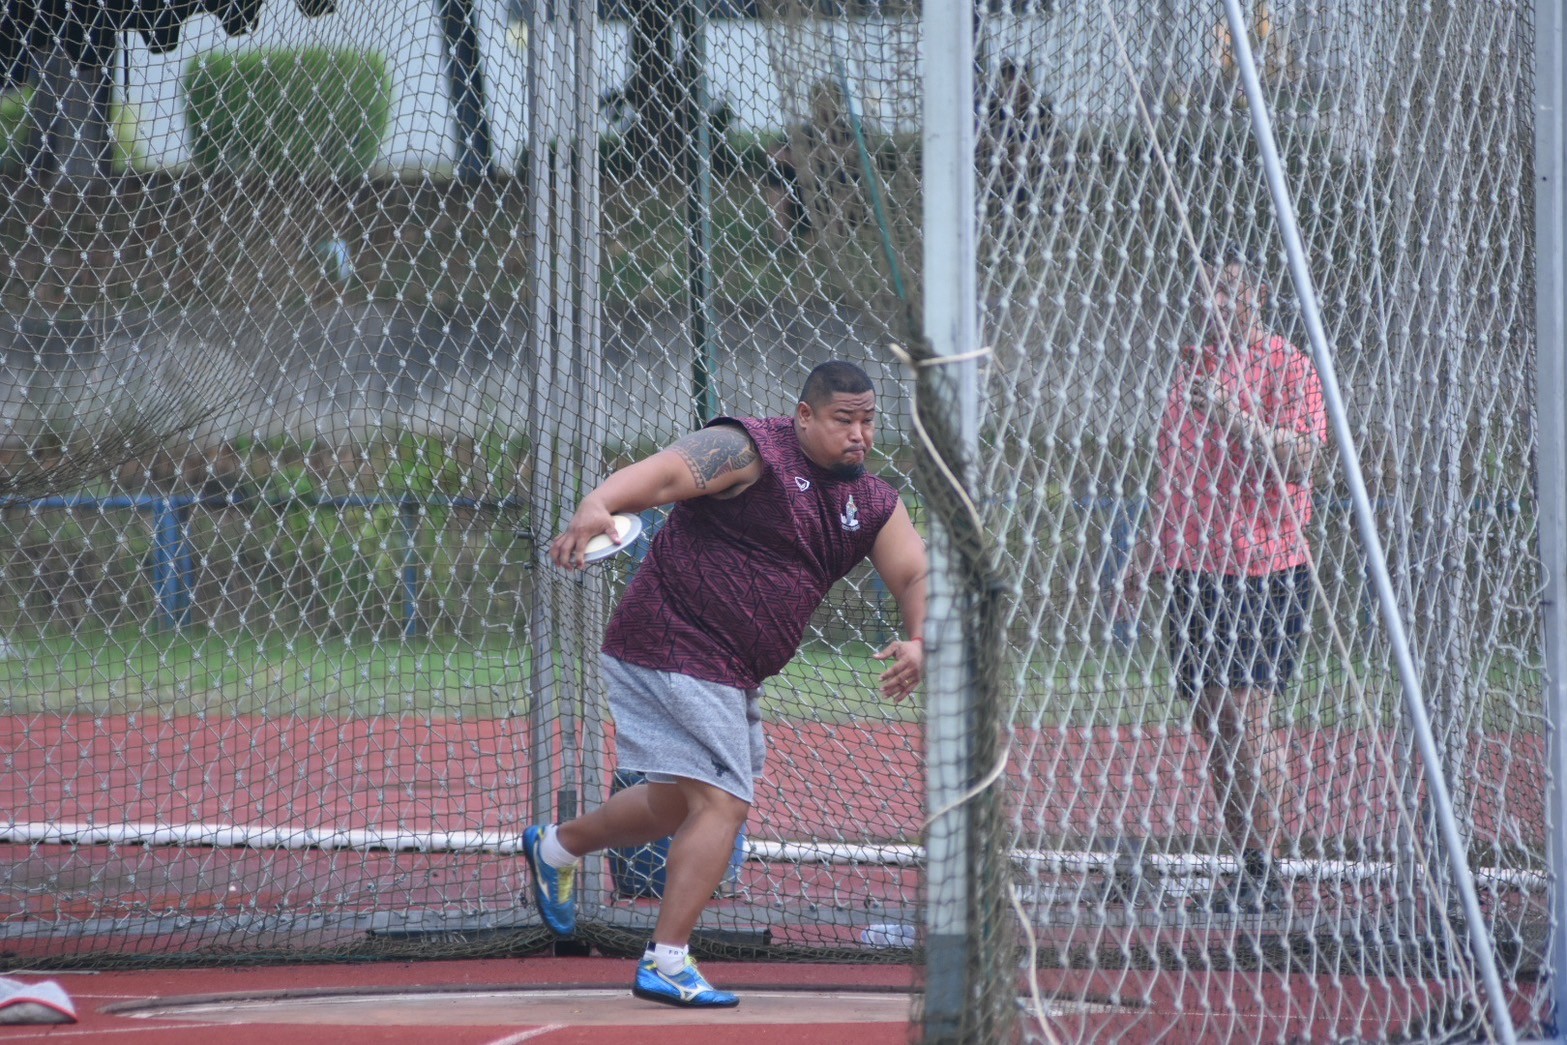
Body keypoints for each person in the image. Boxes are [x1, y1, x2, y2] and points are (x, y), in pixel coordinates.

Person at [525, 361, 928, 1008]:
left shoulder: (872, 501)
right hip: (674, 640)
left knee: (672, 806)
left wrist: (919, 638)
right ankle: (667, 960)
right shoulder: (749, 449)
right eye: (843, 420)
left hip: (730, 669)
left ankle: (555, 848)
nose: (859, 434)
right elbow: (665, 473)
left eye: (868, 421)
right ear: (804, 417)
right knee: (723, 803)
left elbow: (913, 574)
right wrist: (599, 502)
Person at [1139, 246, 1326, 914]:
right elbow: (1172, 474)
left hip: (1263, 568)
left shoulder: (1287, 364)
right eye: (1204, 291)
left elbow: (1305, 460)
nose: (1212, 303)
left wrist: (1232, 416)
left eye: (1225, 289)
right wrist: (1144, 556)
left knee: (1247, 716)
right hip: (1192, 571)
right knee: (1213, 720)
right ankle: (1246, 863)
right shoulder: (1189, 368)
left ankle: (1266, 870)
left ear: (1257, 295)